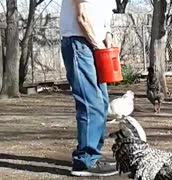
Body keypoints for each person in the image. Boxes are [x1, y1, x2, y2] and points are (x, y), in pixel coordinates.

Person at [59, 0, 117, 176]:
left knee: (102, 103)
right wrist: (96, 44)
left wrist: (108, 37)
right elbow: (81, 16)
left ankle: (93, 154)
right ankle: (85, 161)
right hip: (80, 43)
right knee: (90, 103)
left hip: (95, 45)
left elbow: (105, 17)